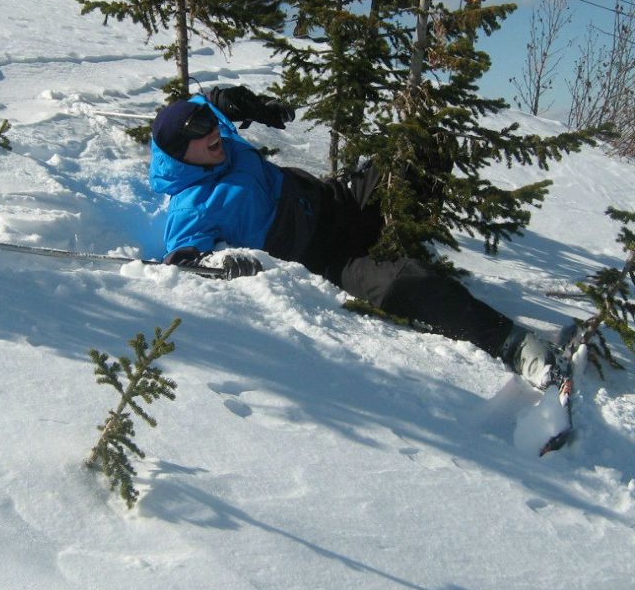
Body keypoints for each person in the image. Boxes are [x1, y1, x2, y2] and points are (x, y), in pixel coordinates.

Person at [148, 86, 564, 388]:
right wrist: (221, 263)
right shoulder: (191, 205)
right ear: (181, 153)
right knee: (409, 283)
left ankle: (405, 235)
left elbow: (207, 103)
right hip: (330, 258)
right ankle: (514, 344)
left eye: (209, 125)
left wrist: (237, 101)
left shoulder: (212, 136)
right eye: (200, 133)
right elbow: (182, 261)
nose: (211, 133)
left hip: (338, 199)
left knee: (424, 148)